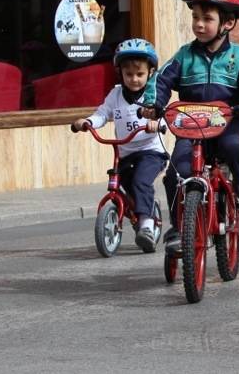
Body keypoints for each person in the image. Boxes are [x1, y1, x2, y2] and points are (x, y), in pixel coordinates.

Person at [144, 0, 239, 254]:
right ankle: (179, 227)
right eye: (195, 17)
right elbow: (161, 80)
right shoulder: (185, 55)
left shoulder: (238, 57)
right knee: (175, 173)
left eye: (207, 18)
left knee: (233, 146)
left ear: (227, 23)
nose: (199, 24)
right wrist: (153, 104)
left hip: (228, 124)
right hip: (190, 128)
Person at [70, 38, 167, 252]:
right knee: (123, 182)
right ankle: (136, 209)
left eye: (139, 74)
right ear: (120, 73)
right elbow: (102, 114)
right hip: (124, 152)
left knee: (142, 181)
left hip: (151, 151)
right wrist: (87, 122)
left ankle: (147, 225)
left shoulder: (153, 94)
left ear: (150, 72)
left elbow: (163, 117)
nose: (134, 79)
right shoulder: (115, 94)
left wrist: (155, 124)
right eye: (128, 74)